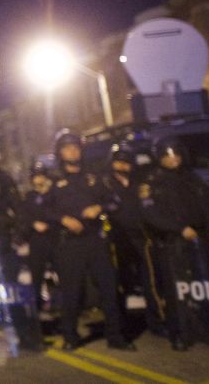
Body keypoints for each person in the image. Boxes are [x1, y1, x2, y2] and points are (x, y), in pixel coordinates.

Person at [141, 135, 209, 350]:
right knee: (178, 292)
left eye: (176, 153)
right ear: (159, 157)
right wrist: (179, 229)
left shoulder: (194, 178)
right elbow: (151, 214)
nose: (173, 158)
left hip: (203, 240)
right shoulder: (152, 183)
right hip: (174, 243)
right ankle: (180, 333)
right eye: (167, 154)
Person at [49, 131, 134, 351]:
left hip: (95, 239)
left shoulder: (94, 176)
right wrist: (63, 219)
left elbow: (114, 201)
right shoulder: (54, 180)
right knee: (72, 292)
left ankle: (116, 336)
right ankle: (70, 336)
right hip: (70, 243)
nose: (73, 151)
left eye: (76, 147)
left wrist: (100, 207)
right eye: (67, 148)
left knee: (109, 288)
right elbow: (39, 210)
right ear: (60, 152)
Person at [103, 142, 162, 335]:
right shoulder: (105, 185)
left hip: (141, 238)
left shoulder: (140, 183)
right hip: (117, 239)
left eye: (126, 162)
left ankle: (156, 321)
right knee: (120, 282)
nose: (123, 165)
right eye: (119, 162)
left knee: (150, 280)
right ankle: (124, 323)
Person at [15, 161, 59, 316]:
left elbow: (60, 213)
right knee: (37, 275)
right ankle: (38, 308)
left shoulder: (53, 194)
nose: (39, 179)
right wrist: (33, 224)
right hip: (36, 240)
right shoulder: (29, 196)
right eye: (36, 176)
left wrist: (50, 225)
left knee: (59, 272)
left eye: (41, 176)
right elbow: (23, 217)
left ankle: (59, 304)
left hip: (53, 238)